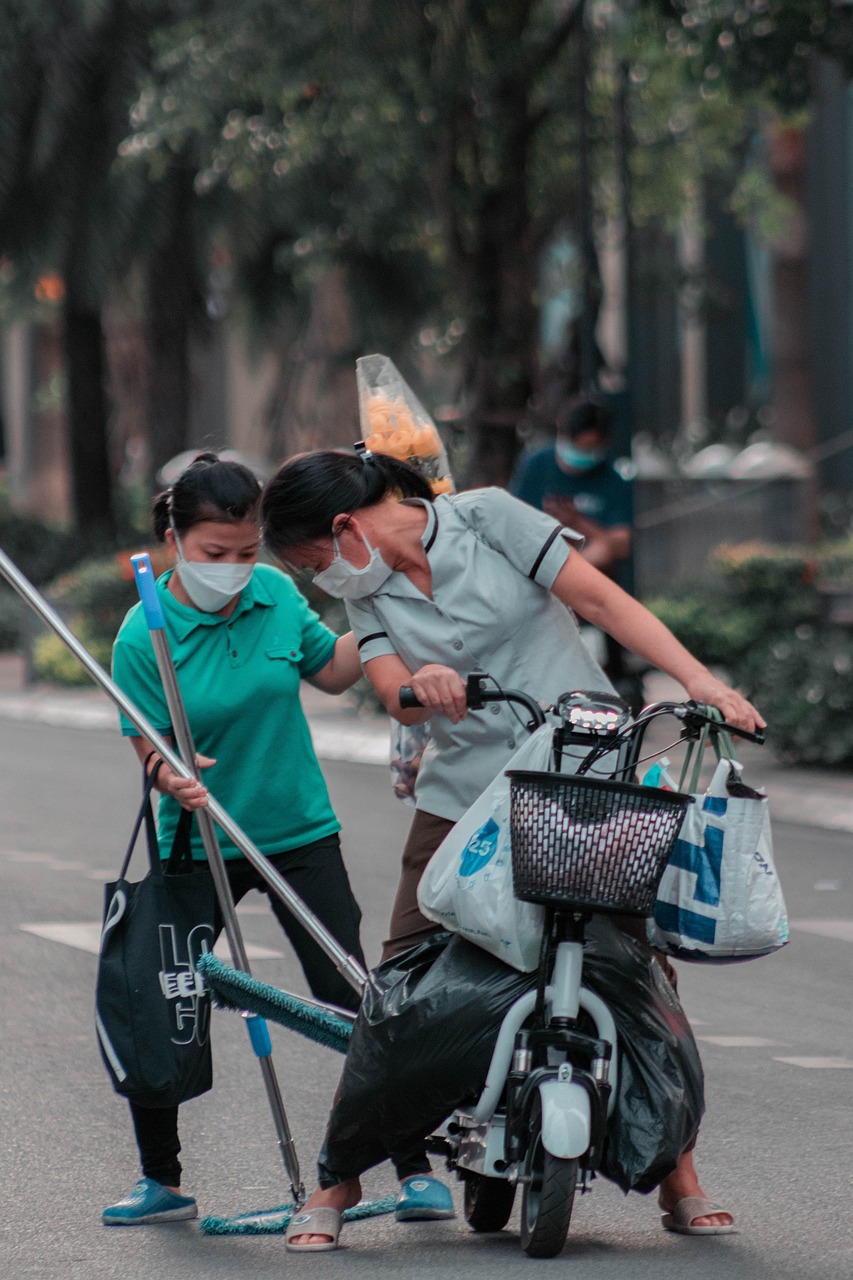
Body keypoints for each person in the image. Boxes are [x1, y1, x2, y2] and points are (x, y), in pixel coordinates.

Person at [261, 448, 764, 1250]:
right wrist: (422, 686)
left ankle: (678, 1173)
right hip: (461, 795)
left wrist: (696, 681)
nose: (322, 577)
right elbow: (392, 689)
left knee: (634, 968)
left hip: (583, 772)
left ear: (346, 526)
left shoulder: (487, 517)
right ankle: (339, 1179)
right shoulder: (368, 592)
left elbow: (598, 598)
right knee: (400, 982)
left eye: (313, 559)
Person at [104, 452, 365, 1227]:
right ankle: (160, 1179)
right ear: (175, 540)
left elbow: (333, 670)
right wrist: (172, 776)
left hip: (298, 831)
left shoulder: (275, 593)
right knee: (163, 998)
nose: (233, 568)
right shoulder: (141, 635)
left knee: (352, 994)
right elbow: (148, 750)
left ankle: (411, 1165)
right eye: (215, 553)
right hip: (197, 841)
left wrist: (380, 613)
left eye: (246, 552)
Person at [511, 394, 636, 697]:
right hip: (537, 570)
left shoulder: (612, 479)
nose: (580, 454)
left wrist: (578, 522)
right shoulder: (536, 465)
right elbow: (512, 522)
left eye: (589, 447)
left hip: (588, 577)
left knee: (603, 549)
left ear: (603, 443)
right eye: (577, 445)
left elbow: (621, 544)